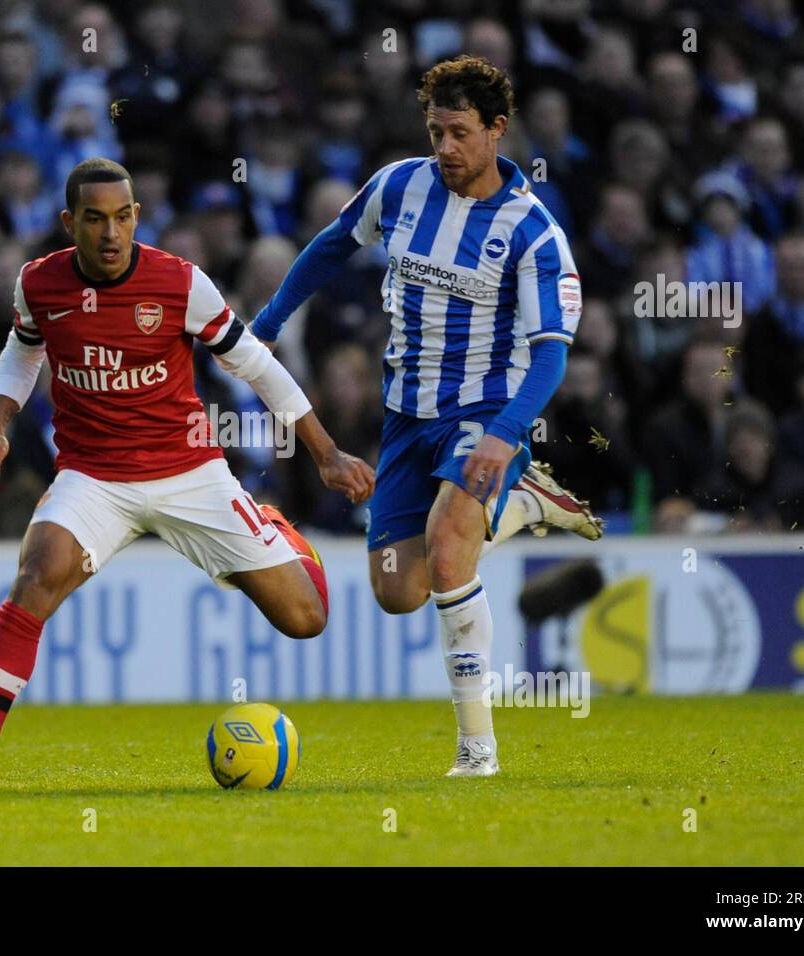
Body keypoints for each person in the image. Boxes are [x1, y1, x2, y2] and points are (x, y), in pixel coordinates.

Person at [0, 158, 374, 792]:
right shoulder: (39, 284)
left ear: (137, 218)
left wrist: (326, 452)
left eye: (124, 218)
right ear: (69, 222)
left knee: (306, 618)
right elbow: (22, 350)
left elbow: (257, 366)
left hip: (190, 471)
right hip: (93, 477)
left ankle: (272, 527)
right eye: (96, 219)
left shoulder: (181, 283)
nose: (111, 233)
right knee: (33, 578)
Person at [249, 56, 602, 778]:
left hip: (485, 413)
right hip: (406, 415)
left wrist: (506, 437)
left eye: (460, 133)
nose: (444, 147)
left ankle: (478, 751)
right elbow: (331, 245)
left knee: (447, 552)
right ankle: (523, 503)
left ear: (498, 130)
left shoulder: (533, 233)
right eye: (436, 130)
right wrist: (272, 318)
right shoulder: (401, 186)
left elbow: (550, 359)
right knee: (397, 591)